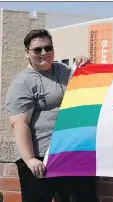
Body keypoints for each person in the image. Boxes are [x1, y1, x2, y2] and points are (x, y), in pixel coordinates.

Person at [4, 29, 98, 202]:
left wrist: (85, 64)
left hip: (70, 151)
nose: (44, 53)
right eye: (38, 50)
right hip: (40, 157)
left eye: (48, 48)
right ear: (27, 53)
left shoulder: (62, 71)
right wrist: (30, 159)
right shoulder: (22, 82)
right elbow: (20, 124)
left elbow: (86, 88)